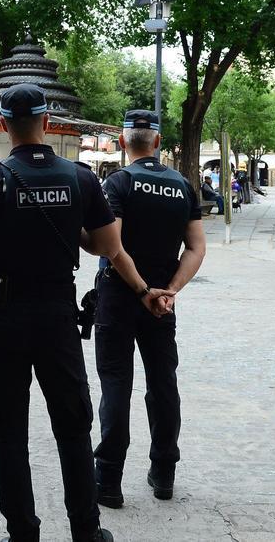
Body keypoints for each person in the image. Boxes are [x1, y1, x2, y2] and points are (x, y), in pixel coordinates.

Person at [0, 85, 169, 542]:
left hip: (4, 316)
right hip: (57, 315)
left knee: (8, 430)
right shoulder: (80, 178)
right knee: (72, 425)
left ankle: (22, 532)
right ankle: (86, 529)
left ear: (4, 125)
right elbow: (107, 246)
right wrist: (71, 228)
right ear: (48, 123)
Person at [91, 111, 206, 510]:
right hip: (162, 303)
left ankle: (108, 479)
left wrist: (141, 289)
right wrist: (169, 291)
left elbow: (112, 245)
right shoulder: (183, 186)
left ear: (124, 143)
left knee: (116, 384)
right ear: (157, 143)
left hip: (122, 295)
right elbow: (196, 248)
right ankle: (164, 473)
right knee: (162, 384)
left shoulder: (118, 183)